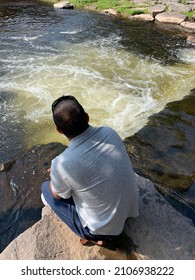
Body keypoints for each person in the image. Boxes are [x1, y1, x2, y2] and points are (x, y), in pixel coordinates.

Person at [41, 95, 139, 246]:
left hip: (104, 230)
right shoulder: (110, 132)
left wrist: (57, 171)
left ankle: (94, 237)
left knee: (46, 190)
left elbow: (58, 196)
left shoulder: (62, 164)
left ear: (59, 130)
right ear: (87, 117)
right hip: (131, 209)